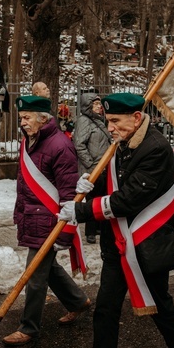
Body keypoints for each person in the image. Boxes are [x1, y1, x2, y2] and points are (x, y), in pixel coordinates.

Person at [59, 93, 174, 348]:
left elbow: (131, 197)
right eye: (108, 122)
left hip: (147, 244)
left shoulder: (155, 148)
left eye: (115, 121)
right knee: (106, 308)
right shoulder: (123, 142)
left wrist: (82, 210)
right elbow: (114, 183)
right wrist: (91, 185)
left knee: (160, 303)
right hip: (119, 244)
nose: (110, 128)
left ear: (136, 118)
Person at [3, 95, 91, 346]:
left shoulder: (60, 146)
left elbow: (68, 192)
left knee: (35, 275)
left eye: (27, 117)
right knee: (47, 268)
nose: (23, 122)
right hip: (33, 218)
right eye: (21, 118)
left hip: (50, 222)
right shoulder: (29, 140)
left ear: (43, 119)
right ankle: (78, 301)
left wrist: (65, 232)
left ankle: (29, 327)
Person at [73, 92, 112, 243]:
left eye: (99, 104)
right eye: (95, 104)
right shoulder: (84, 121)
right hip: (92, 169)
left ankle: (99, 228)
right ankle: (90, 232)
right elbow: (79, 144)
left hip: (103, 167)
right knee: (92, 200)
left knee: (102, 198)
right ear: (88, 106)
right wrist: (90, 163)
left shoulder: (99, 121)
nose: (99, 107)